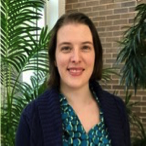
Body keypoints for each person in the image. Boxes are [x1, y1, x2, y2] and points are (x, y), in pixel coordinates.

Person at [16, 12, 131, 146]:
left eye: (85, 47)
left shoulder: (117, 109)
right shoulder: (32, 117)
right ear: (54, 57)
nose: (76, 58)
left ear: (96, 54)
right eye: (66, 48)